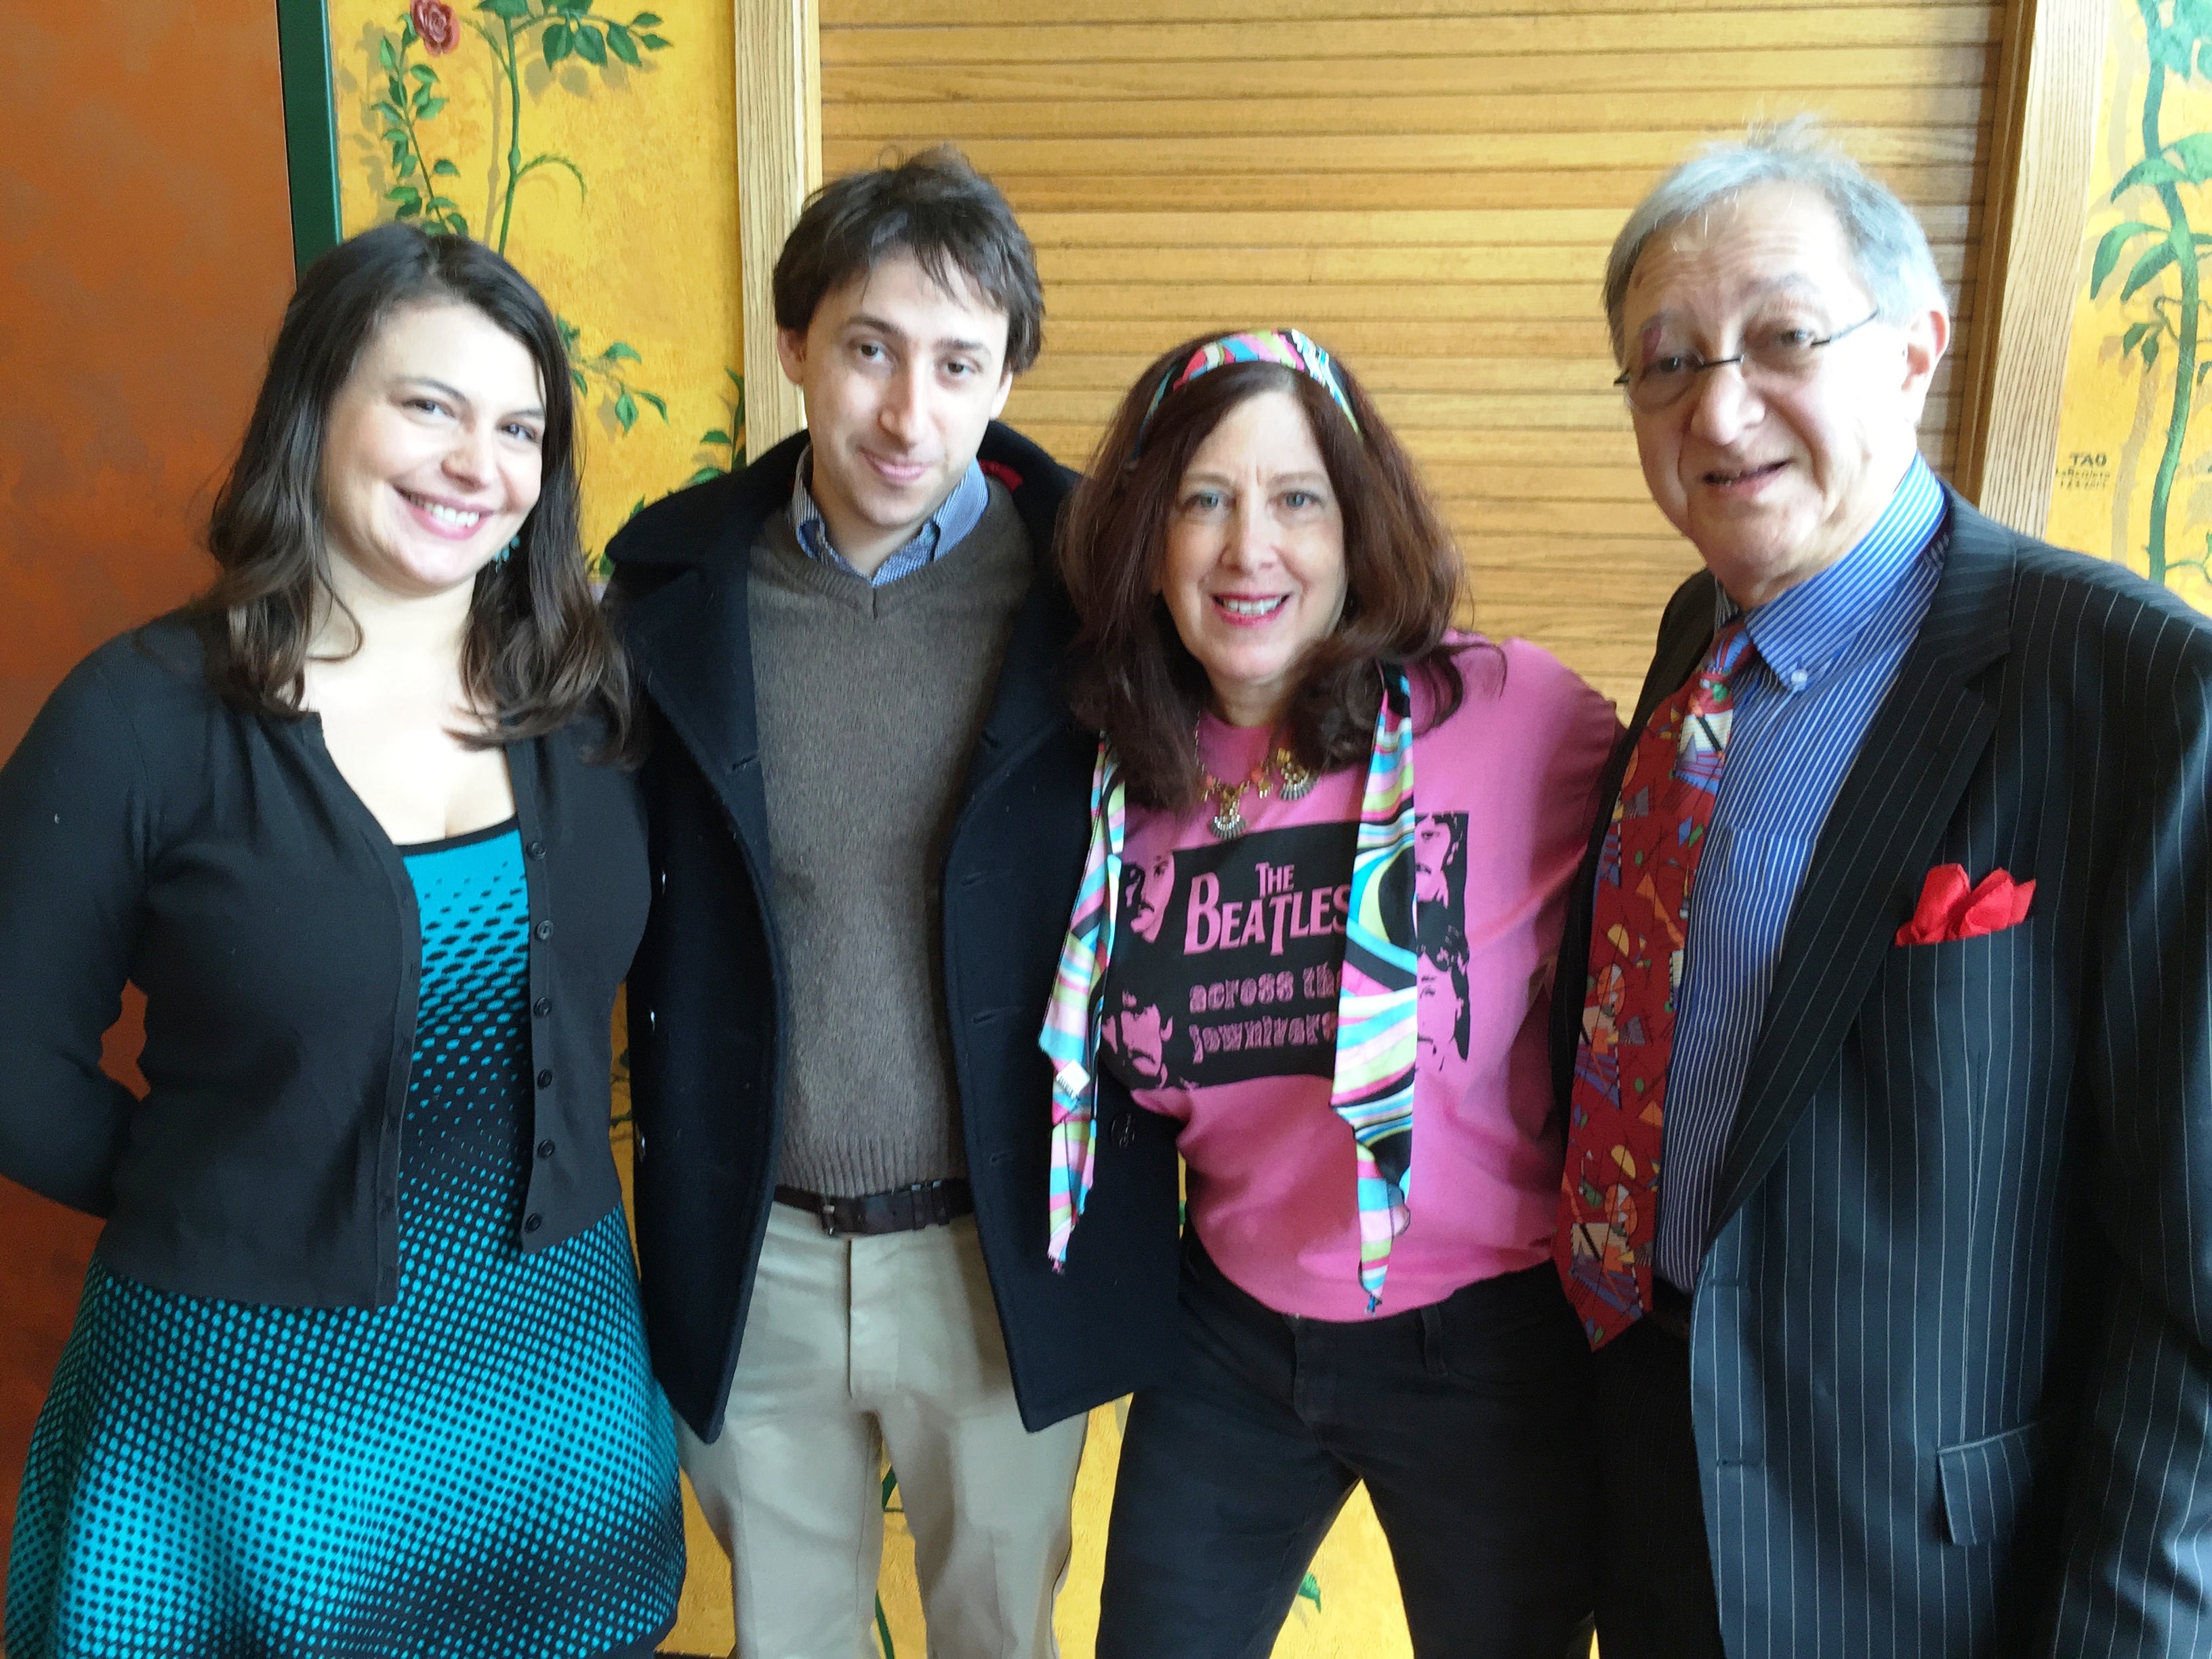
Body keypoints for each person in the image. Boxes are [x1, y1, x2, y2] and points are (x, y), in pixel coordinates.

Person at [1553, 119, 2212, 1658]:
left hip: (1928, 1563)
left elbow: (2195, 1277)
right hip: (1650, 1456)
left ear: (1915, 347)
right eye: (1666, 363)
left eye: (1784, 338)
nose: (1719, 407)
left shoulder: (2134, 688)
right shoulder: (1697, 640)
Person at [0, 224, 682, 1658]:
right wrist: (214, 1190)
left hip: (549, 1395)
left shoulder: (595, 712)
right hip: (242, 1414)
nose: (475, 463)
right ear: (315, 409)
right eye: (428, 405)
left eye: (518, 430)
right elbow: (13, 1061)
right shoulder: (134, 718)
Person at [605, 147, 1181, 1658]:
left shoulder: (1107, 598)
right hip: (755, 1246)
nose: (908, 413)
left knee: (1000, 1633)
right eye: (869, 349)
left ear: (1007, 379)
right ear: (795, 344)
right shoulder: (664, 591)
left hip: (1001, 1252)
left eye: (958, 363)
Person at [1041, 329, 1619, 1658]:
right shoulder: (1112, 773)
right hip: (1229, 1336)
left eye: (1297, 498)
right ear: (1147, 536)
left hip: (1482, 1343)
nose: (1251, 548)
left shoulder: (1517, 715)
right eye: (1204, 500)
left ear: (1357, 526)